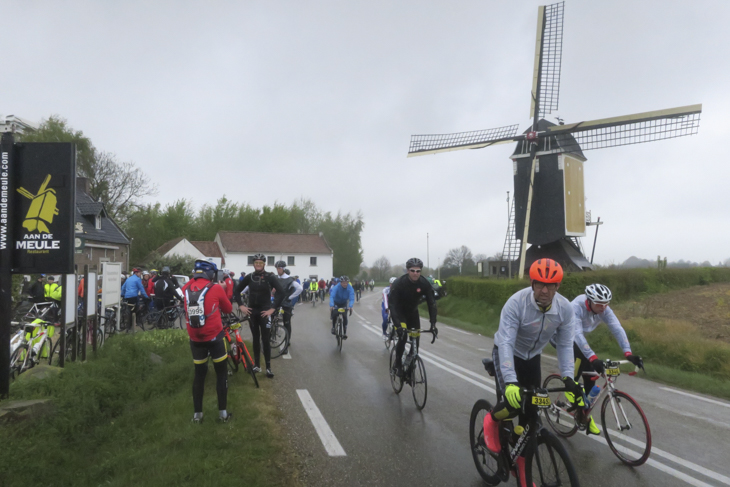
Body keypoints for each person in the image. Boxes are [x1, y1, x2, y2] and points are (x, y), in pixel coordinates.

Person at [482, 259, 582, 487]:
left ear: (558, 287)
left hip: (532, 357)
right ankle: (491, 419)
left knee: (530, 415)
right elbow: (506, 342)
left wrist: (568, 378)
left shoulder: (565, 309)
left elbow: (566, 345)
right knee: (513, 402)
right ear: (532, 283)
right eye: (539, 284)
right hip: (507, 352)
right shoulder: (516, 303)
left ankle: (522, 468)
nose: (544, 290)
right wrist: (510, 381)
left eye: (551, 285)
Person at [568, 283, 643, 435]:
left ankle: (584, 416)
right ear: (589, 301)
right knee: (582, 355)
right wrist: (593, 358)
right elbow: (577, 335)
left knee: (591, 377)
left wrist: (628, 353)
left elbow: (617, 328)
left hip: (579, 336)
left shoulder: (604, 309)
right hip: (562, 334)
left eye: (606, 304)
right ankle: (569, 385)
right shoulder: (576, 306)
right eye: (599, 304)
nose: (603, 307)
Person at [182, 259, 233, 424]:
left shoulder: (186, 289)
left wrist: (195, 277)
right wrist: (222, 290)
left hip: (195, 339)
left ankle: (197, 415)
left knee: (199, 376)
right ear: (211, 274)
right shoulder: (216, 287)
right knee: (221, 374)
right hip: (215, 338)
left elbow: (192, 283)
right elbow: (228, 309)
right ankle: (223, 413)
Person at [233, 254, 289, 378]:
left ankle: (268, 368)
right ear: (254, 264)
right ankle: (257, 365)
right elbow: (236, 290)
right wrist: (241, 305)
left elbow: (281, 292)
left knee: (265, 339)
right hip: (253, 312)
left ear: (264, 264)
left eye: (260, 263)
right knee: (256, 339)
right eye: (256, 262)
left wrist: (273, 308)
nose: (258, 265)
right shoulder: (250, 277)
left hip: (265, 311)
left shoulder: (270, 277)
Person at [389, 258, 438, 377]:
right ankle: (398, 363)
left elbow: (432, 304)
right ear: (407, 271)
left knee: (416, 340)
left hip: (412, 313)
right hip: (400, 313)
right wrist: (397, 325)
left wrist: (433, 324)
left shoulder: (424, 283)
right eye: (412, 270)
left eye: (418, 271)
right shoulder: (399, 283)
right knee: (403, 335)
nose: (415, 273)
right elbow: (392, 305)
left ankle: (410, 362)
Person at [274, 261, 303, 354]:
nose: (278, 270)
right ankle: (271, 337)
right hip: (276, 302)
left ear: (283, 269)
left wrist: (290, 297)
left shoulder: (290, 279)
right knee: (271, 320)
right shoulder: (275, 278)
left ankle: (286, 344)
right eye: (277, 268)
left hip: (286, 304)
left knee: (287, 323)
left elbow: (300, 289)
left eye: (280, 268)